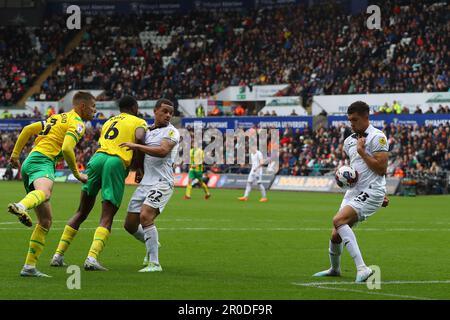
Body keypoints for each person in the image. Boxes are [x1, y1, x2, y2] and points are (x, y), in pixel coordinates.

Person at [50, 95, 147, 271]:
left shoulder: (109, 121)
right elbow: (140, 138)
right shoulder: (138, 121)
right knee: (107, 215)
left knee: (81, 211)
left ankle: (58, 255)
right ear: (134, 107)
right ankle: (91, 258)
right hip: (115, 163)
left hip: (97, 159)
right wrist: (139, 167)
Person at [7, 91, 96, 277]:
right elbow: (66, 148)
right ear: (82, 107)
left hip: (30, 161)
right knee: (45, 193)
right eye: (93, 106)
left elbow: (27, 130)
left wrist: (15, 155)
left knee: (45, 221)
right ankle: (21, 206)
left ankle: (29, 267)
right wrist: (77, 174)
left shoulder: (56, 118)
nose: (95, 111)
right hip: (43, 162)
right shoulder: (78, 123)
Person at [313, 101, 389, 282]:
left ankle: (362, 268)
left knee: (338, 220)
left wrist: (362, 152)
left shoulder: (378, 137)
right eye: (349, 120)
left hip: (371, 191)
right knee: (336, 233)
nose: (351, 124)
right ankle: (335, 269)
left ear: (366, 117)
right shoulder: (348, 141)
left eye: (355, 120)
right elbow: (358, 169)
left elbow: (381, 169)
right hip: (355, 191)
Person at [121, 99, 179, 272]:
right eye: (165, 111)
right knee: (129, 225)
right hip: (146, 182)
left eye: (171, 112)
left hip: (162, 183)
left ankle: (154, 263)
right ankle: (151, 241)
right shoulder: (147, 131)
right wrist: (138, 168)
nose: (168, 115)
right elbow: (141, 154)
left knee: (146, 216)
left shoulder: (171, 132)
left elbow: (162, 152)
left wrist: (136, 145)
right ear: (155, 111)